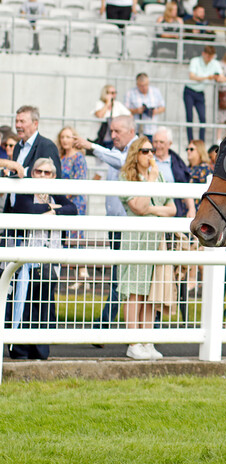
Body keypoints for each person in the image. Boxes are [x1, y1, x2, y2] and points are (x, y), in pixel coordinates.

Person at [5, 158, 77, 360]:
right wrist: (53, 209)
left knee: (45, 303)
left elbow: (73, 210)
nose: (43, 176)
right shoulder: (25, 191)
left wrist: (53, 210)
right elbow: (27, 209)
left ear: (53, 176)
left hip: (49, 259)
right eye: (39, 172)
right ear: (32, 173)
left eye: (47, 173)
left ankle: (40, 350)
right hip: (25, 261)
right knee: (23, 301)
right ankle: (19, 350)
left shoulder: (56, 193)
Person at [73, 116, 138, 329]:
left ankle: (105, 324)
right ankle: (110, 324)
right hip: (117, 224)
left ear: (131, 131)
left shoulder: (136, 149)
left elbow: (122, 162)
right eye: (111, 131)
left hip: (131, 225)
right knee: (120, 275)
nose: (113, 135)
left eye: (117, 131)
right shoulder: (114, 152)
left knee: (125, 276)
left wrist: (91, 146)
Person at [117, 138, 177, 360]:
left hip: (157, 239)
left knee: (152, 292)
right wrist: (150, 183)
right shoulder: (127, 177)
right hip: (136, 238)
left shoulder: (159, 175)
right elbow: (138, 207)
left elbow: (172, 209)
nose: (150, 154)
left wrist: (151, 207)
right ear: (136, 153)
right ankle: (133, 342)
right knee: (135, 290)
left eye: (152, 150)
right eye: (145, 151)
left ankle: (147, 340)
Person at [56, 125, 89, 254]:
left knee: (75, 231)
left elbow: (79, 180)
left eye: (68, 137)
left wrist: (64, 198)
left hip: (75, 201)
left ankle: (80, 266)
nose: (65, 140)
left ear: (74, 139)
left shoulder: (79, 157)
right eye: (62, 137)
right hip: (62, 200)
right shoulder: (60, 158)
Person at [7, 105, 61, 180]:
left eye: (22, 121)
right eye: (16, 121)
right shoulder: (17, 146)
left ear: (35, 124)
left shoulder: (47, 146)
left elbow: (56, 176)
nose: (18, 125)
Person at [184, 45, 222, 142]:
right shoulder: (195, 61)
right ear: (203, 54)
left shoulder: (215, 63)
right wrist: (208, 77)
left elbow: (221, 77)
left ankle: (201, 142)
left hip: (200, 92)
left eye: (211, 57)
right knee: (189, 117)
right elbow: (192, 76)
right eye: (208, 57)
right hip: (189, 91)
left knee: (203, 118)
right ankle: (190, 142)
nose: (209, 59)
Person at [152, 127, 191, 217]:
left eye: (161, 142)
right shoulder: (147, 160)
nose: (158, 145)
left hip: (173, 210)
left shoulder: (178, 163)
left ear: (169, 144)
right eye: (155, 142)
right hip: (152, 211)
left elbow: (185, 186)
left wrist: (191, 208)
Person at [125, 73, 166, 141]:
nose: (144, 88)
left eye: (146, 85)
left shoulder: (155, 91)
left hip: (152, 129)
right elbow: (125, 110)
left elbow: (163, 107)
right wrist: (136, 111)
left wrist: (155, 111)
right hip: (136, 130)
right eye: (141, 86)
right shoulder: (130, 93)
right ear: (137, 84)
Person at [92, 85, 132, 149]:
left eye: (115, 93)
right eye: (112, 93)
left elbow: (130, 116)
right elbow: (99, 115)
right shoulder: (99, 103)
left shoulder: (118, 104)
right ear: (105, 93)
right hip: (101, 137)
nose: (114, 95)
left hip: (115, 138)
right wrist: (107, 103)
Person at [185, 139, 213, 216]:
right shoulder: (187, 168)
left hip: (199, 211)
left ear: (199, 151)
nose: (188, 151)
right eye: (187, 149)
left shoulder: (205, 169)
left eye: (191, 149)